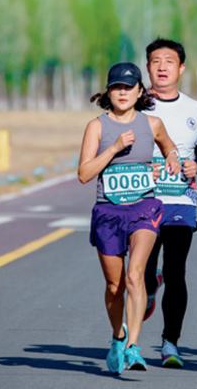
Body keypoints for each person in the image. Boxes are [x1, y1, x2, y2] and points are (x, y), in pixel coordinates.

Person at [77, 62, 180, 374]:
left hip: (144, 209)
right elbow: (84, 174)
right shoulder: (97, 126)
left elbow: (169, 147)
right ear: (109, 92)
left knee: (136, 275)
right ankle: (118, 336)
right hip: (108, 211)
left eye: (128, 87)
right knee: (114, 285)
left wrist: (172, 158)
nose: (122, 93)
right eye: (116, 87)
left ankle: (134, 348)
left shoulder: (153, 124)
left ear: (140, 91)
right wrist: (115, 149)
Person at [142, 38, 197, 368]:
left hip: (181, 199)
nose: (162, 67)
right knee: (142, 269)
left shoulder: (193, 108)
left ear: (181, 68)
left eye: (169, 61)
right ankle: (149, 286)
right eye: (155, 61)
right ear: (147, 67)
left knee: (176, 270)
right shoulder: (137, 105)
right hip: (142, 200)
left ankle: (170, 342)